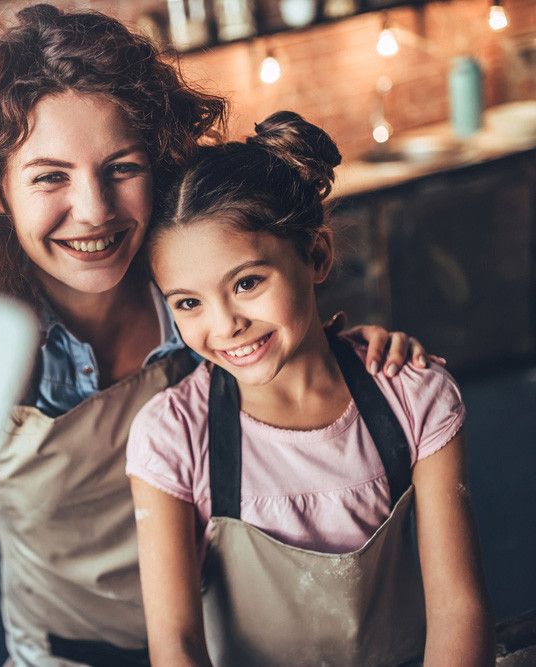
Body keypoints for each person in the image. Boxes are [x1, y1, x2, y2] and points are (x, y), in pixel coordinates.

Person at [0, 6, 436, 664]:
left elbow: (291, 356)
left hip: (232, 642)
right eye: (50, 177)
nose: (94, 209)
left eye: (121, 168)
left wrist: (352, 355)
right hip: (69, 653)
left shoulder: (200, 296)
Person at [127, 111, 492, 666]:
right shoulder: (171, 437)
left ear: (316, 256)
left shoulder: (415, 397)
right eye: (189, 303)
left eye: (247, 283)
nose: (225, 325)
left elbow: (457, 612)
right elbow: (176, 643)